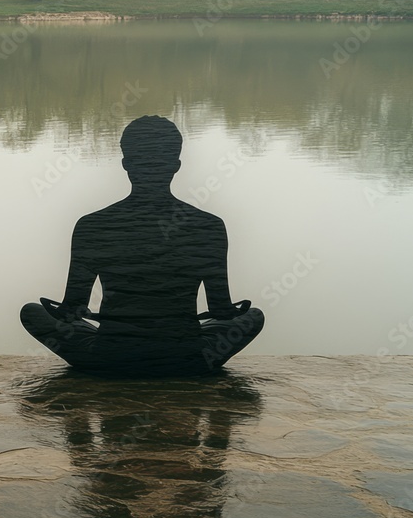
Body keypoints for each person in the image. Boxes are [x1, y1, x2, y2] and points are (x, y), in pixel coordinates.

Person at [20, 115, 264, 376]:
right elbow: (220, 311)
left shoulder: (92, 225)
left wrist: (64, 311)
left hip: (109, 356)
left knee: (31, 312)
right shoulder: (209, 226)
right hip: (188, 356)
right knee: (254, 317)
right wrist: (231, 312)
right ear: (176, 165)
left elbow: (73, 311)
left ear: (126, 163)